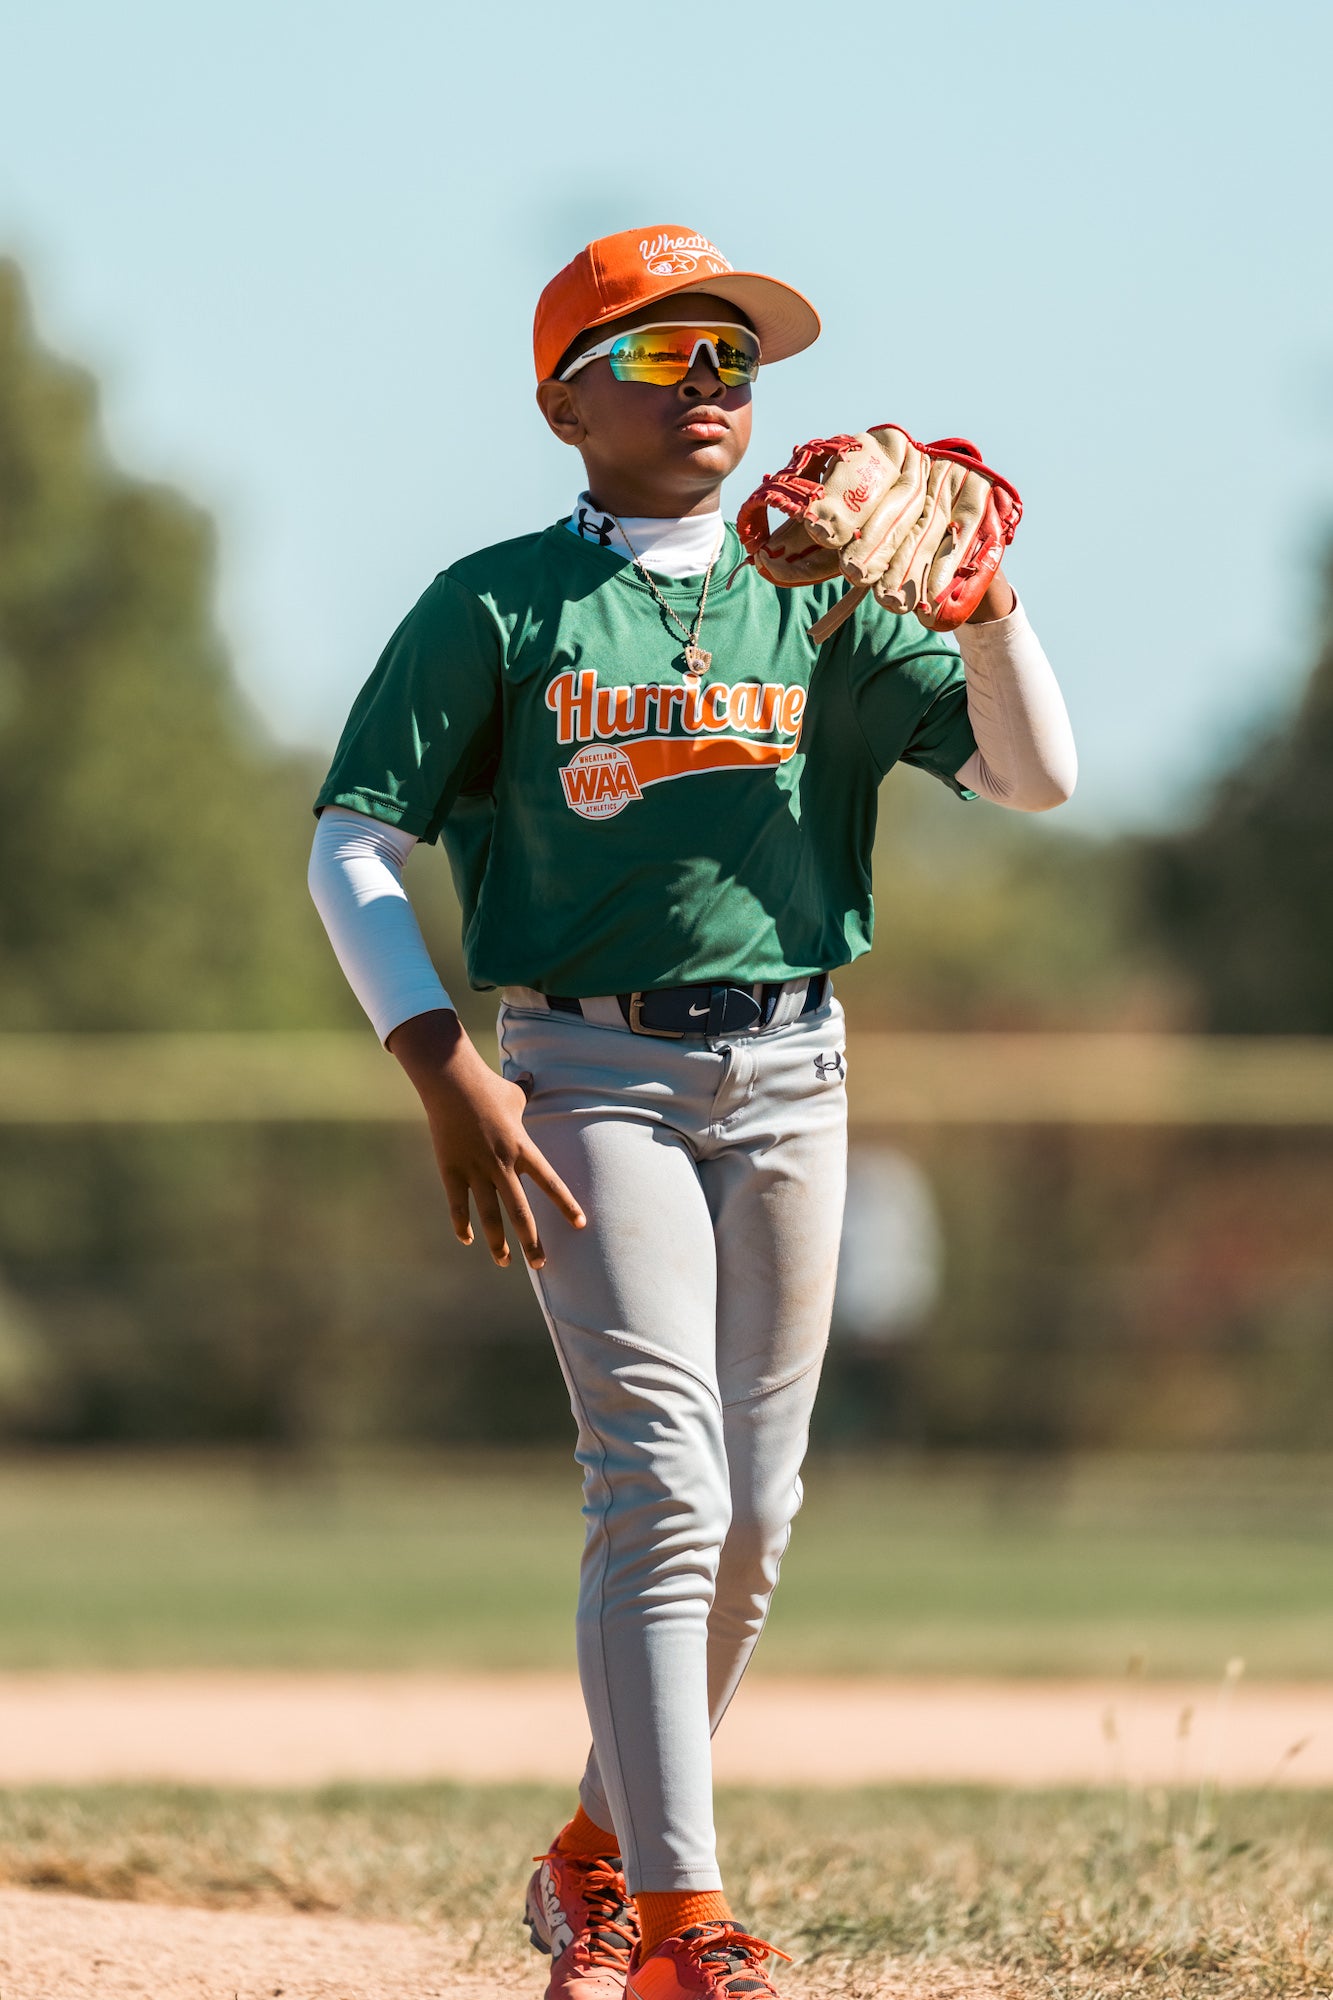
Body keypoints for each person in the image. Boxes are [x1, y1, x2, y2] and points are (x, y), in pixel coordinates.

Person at [308, 223, 1077, 2000]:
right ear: (563, 398)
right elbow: (355, 833)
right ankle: (679, 1927)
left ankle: (591, 1855)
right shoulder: (499, 603)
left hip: (796, 1068)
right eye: (663, 356)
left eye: (735, 358)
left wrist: (990, 609)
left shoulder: (816, 596)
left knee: (758, 1508)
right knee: (660, 1482)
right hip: (586, 1072)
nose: (713, 386)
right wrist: (442, 1064)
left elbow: (1036, 781)